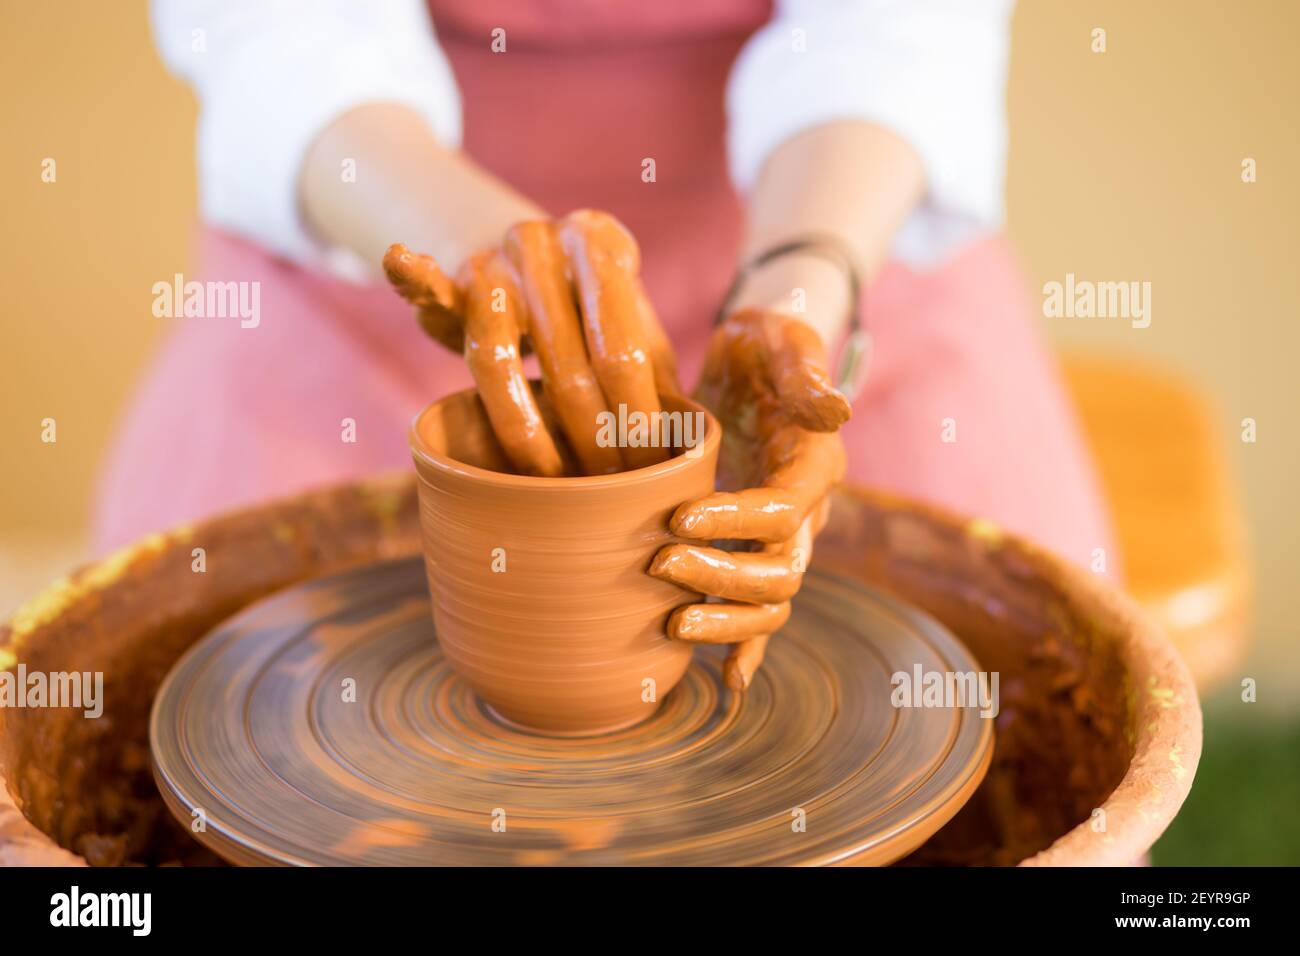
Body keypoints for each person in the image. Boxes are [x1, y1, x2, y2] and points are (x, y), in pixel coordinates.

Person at [97, 0, 1114, 684]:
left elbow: (899, 37)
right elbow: (280, 34)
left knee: (1011, 673)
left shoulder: (815, 276)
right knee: (181, 685)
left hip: (839, 231)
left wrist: (797, 294)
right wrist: (484, 257)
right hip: (369, 223)